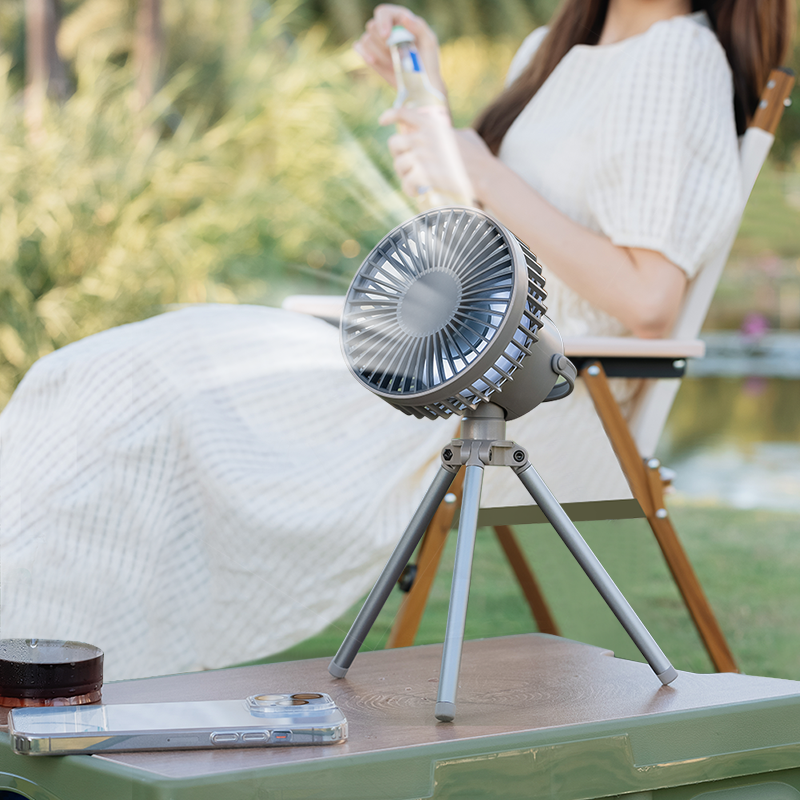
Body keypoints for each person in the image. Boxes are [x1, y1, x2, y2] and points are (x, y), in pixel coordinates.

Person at [0, 0, 789, 681]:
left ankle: (42, 672)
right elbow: (486, 234)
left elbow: (649, 300)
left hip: (528, 394)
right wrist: (432, 106)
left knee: (145, 391)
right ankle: (37, 657)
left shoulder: (680, 60)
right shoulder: (547, 53)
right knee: (113, 371)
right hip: (451, 357)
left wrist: (479, 167)